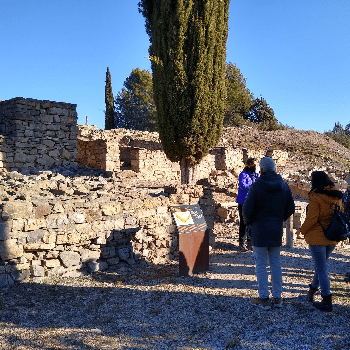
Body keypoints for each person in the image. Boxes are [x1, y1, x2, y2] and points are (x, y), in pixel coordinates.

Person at [243, 157, 295, 309]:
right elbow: (290, 207)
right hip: (275, 229)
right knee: (276, 263)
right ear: (274, 168)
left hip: (259, 229)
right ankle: (278, 298)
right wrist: (279, 218)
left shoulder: (256, 186)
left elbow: (246, 210)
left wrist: (249, 223)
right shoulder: (283, 186)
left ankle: (264, 298)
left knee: (260, 264)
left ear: (262, 169)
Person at [296, 171, 343, 312]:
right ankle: (312, 291)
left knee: (321, 268)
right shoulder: (336, 194)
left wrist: (301, 231)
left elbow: (312, 218)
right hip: (333, 235)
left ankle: (327, 299)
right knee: (320, 265)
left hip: (317, 237)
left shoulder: (316, 197)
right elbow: (341, 211)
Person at [236, 157, 259, 251]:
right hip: (244, 202)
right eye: (255, 165)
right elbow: (243, 186)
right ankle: (241, 243)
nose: (256, 167)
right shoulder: (243, 174)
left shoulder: (255, 174)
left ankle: (250, 243)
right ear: (250, 165)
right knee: (244, 223)